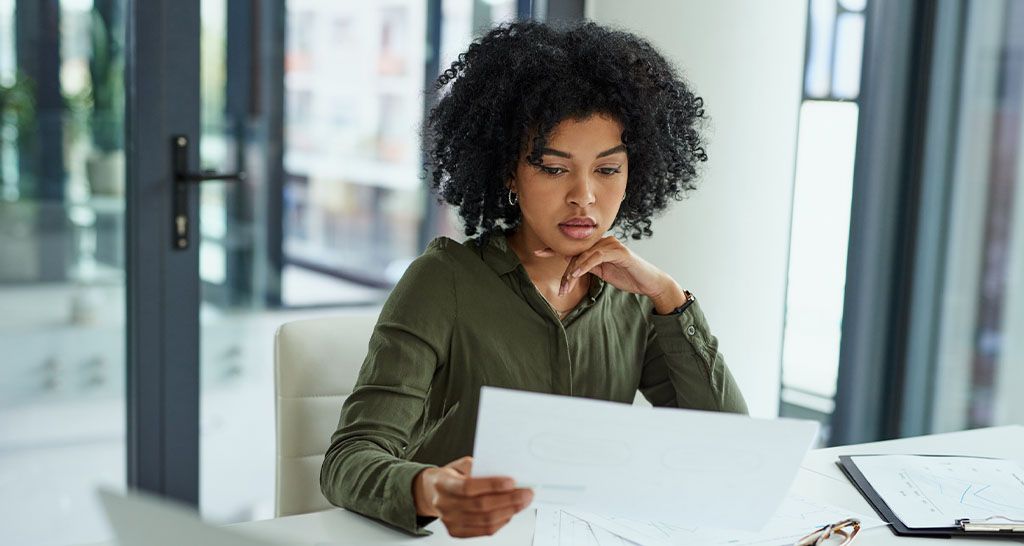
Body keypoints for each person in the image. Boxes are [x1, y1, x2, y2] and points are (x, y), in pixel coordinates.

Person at [320, 20, 748, 538]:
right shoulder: (443, 281)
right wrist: (431, 489)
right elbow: (348, 460)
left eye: (608, 170)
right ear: (508, 171)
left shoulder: (637, 297)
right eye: (552, 167)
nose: (584, 196)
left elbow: (728, 447)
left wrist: (669, 297)